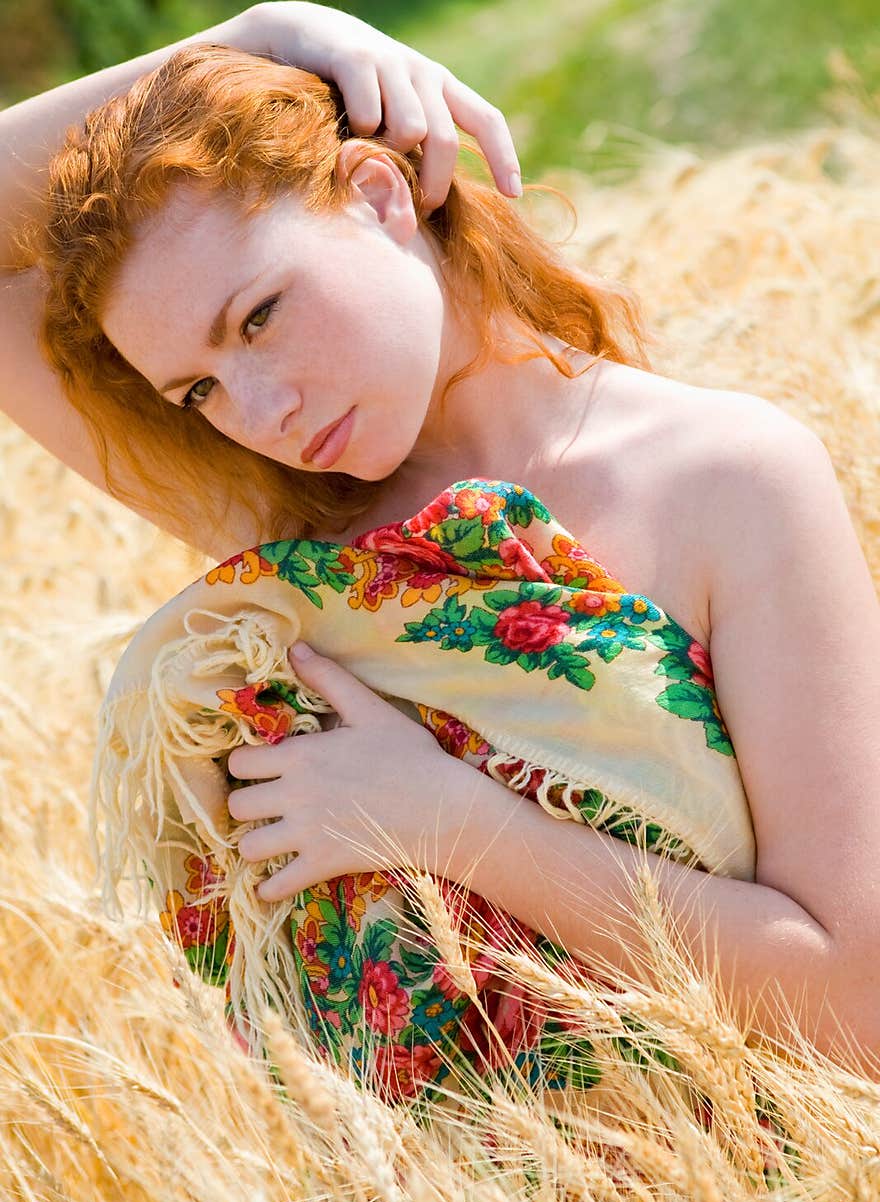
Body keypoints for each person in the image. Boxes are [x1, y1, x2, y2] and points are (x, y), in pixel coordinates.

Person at [1, 2, 877, 1080]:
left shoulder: (729, 478)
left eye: (261, 315)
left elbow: (854, 998)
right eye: (199, 388)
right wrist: (255, 33)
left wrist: (445, 819)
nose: (260, 409)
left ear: (377, 197)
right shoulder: (299, 535)